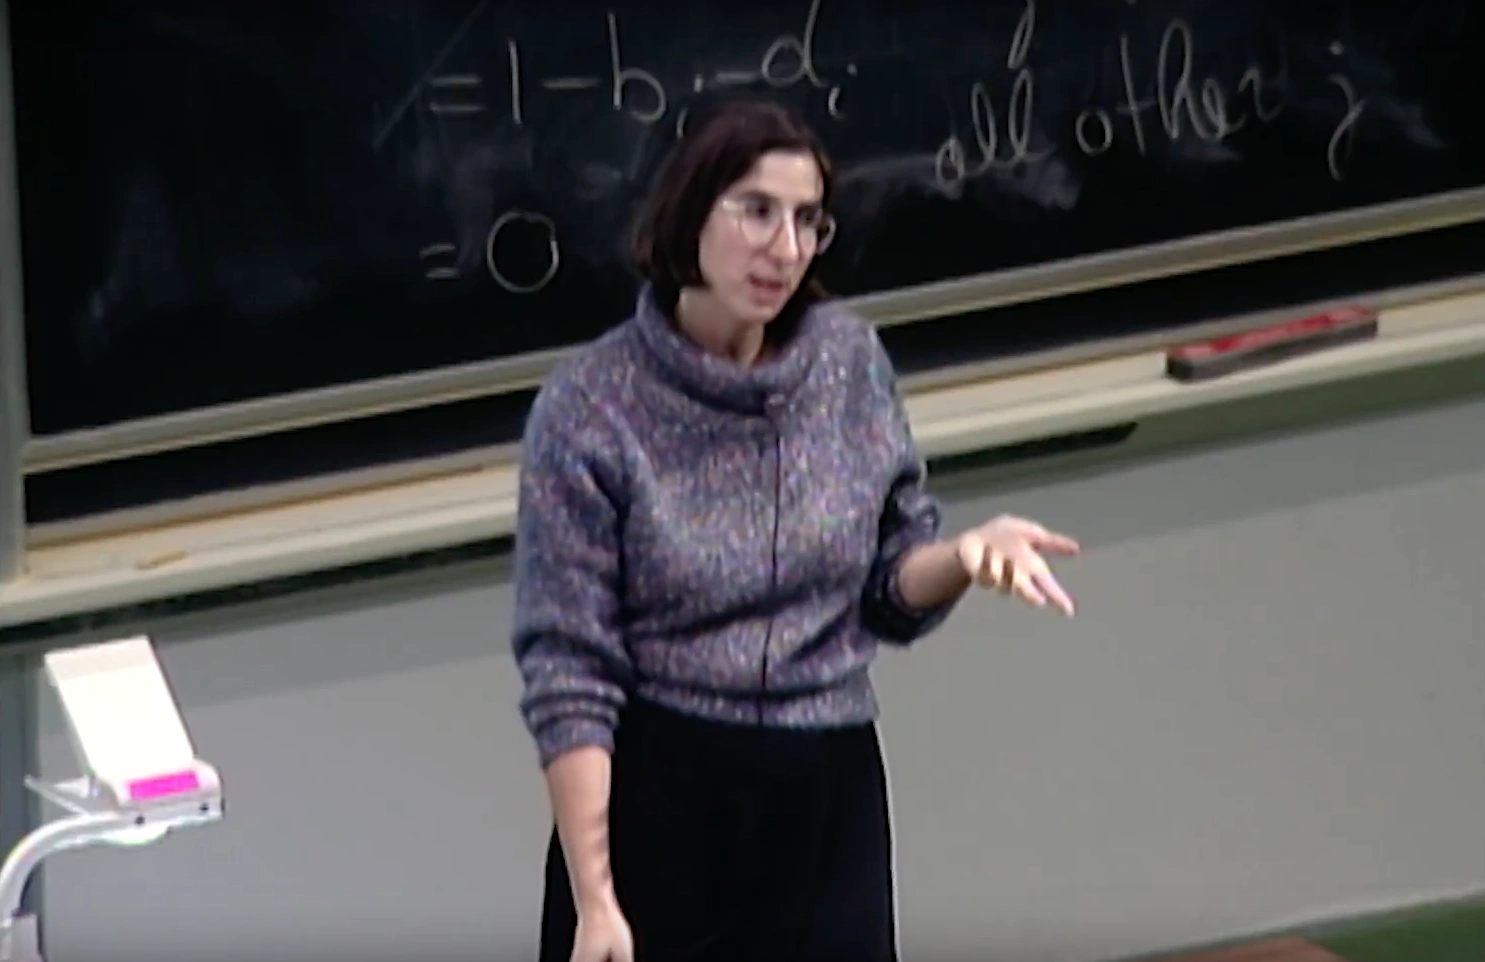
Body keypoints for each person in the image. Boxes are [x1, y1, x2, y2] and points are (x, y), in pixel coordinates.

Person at [510, 96, 1080, 962]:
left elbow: (888, 589)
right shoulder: (592, 406)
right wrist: (597, 898)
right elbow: (569, 670)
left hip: (827, 787)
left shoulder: (846, 363)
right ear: (689, 210)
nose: (783, 248)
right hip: (665, 798)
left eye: (808, 221)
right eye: (756, 211)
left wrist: (961, 558)